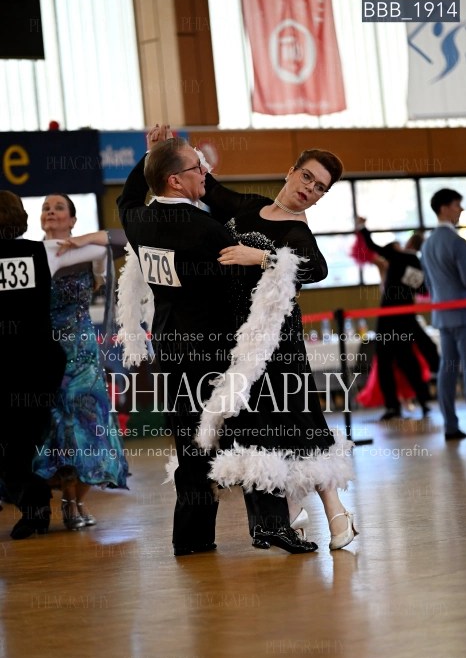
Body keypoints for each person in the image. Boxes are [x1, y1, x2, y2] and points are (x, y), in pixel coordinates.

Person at [116, 126, 317, 556]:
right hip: (217, 353)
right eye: (196, 167)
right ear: (175, 180)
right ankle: (269, 527)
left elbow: (127, 197)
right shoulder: (206, 229)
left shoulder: (139, 220)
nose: (204, 172)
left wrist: (150, 155)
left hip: (170, 349)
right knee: (253, 434)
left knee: (190, 444)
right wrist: (267, 262)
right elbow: (240, 288)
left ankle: (191, 537)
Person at [195, 146, 357, 550]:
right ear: (291, 172)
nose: (309, 189)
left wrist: (262, 257)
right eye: (307, 177)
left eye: (319, 188)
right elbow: (209, 188)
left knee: (302, 423)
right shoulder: (250, 205)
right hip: (238, 341)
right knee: (263, 429)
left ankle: (337, 514)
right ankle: (288, 510)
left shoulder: (297, 233)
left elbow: (317, 268)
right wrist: (168, 151)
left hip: (279, 342)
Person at [31, 194, 129, 531]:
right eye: (46, 208)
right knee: (57, 425)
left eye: (59, 207)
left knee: (87, 424)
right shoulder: (31, 254)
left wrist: (83, 239)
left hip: (84, 355)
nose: (51, 211)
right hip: (46, 354)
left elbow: (125, 238)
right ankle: (65, 501)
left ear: (72, 219)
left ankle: (78, 502)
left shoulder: (90, 252)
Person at [355, 227, 439, 413]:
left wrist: (362, 229)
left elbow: (373, 246)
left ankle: (392, 407)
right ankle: (423, 401)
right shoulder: (415, 262)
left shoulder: (398, 256)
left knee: (385, 363)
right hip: (405, 319)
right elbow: (423, 290)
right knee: (408, 361)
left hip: (388, 319)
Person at [421, 188, 466, 441]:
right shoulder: (457, 243)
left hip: (442, 315)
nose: (461, 209)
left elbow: (428, 285)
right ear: (445, 208)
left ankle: (450, 425)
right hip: (463, 313)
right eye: (457, 204)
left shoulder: (427, 244)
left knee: (447, 369)